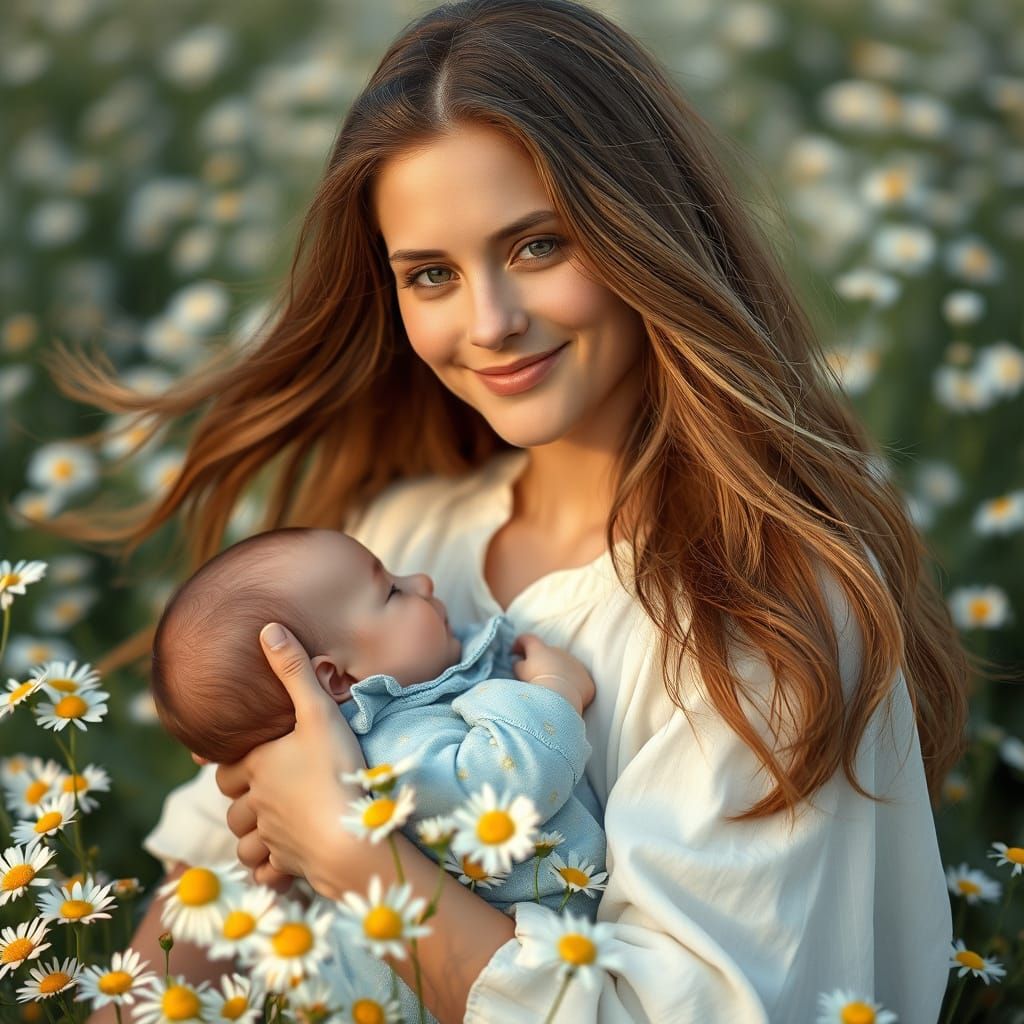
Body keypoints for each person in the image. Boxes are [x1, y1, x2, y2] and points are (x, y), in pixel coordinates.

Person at [52, 0, 975, 1020]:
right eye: (432, 275)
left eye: (538, 245)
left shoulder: (764, 608)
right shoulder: (398, 540)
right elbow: (207, 909)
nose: (488, 323)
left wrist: (358, 860)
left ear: (644, 231)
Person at [149, 525, 606, 916]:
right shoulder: (391, 754)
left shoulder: (420, 687)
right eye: (391, 591)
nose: (423, 581)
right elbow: (506, 788)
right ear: (335, 678)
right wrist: (553, 687)